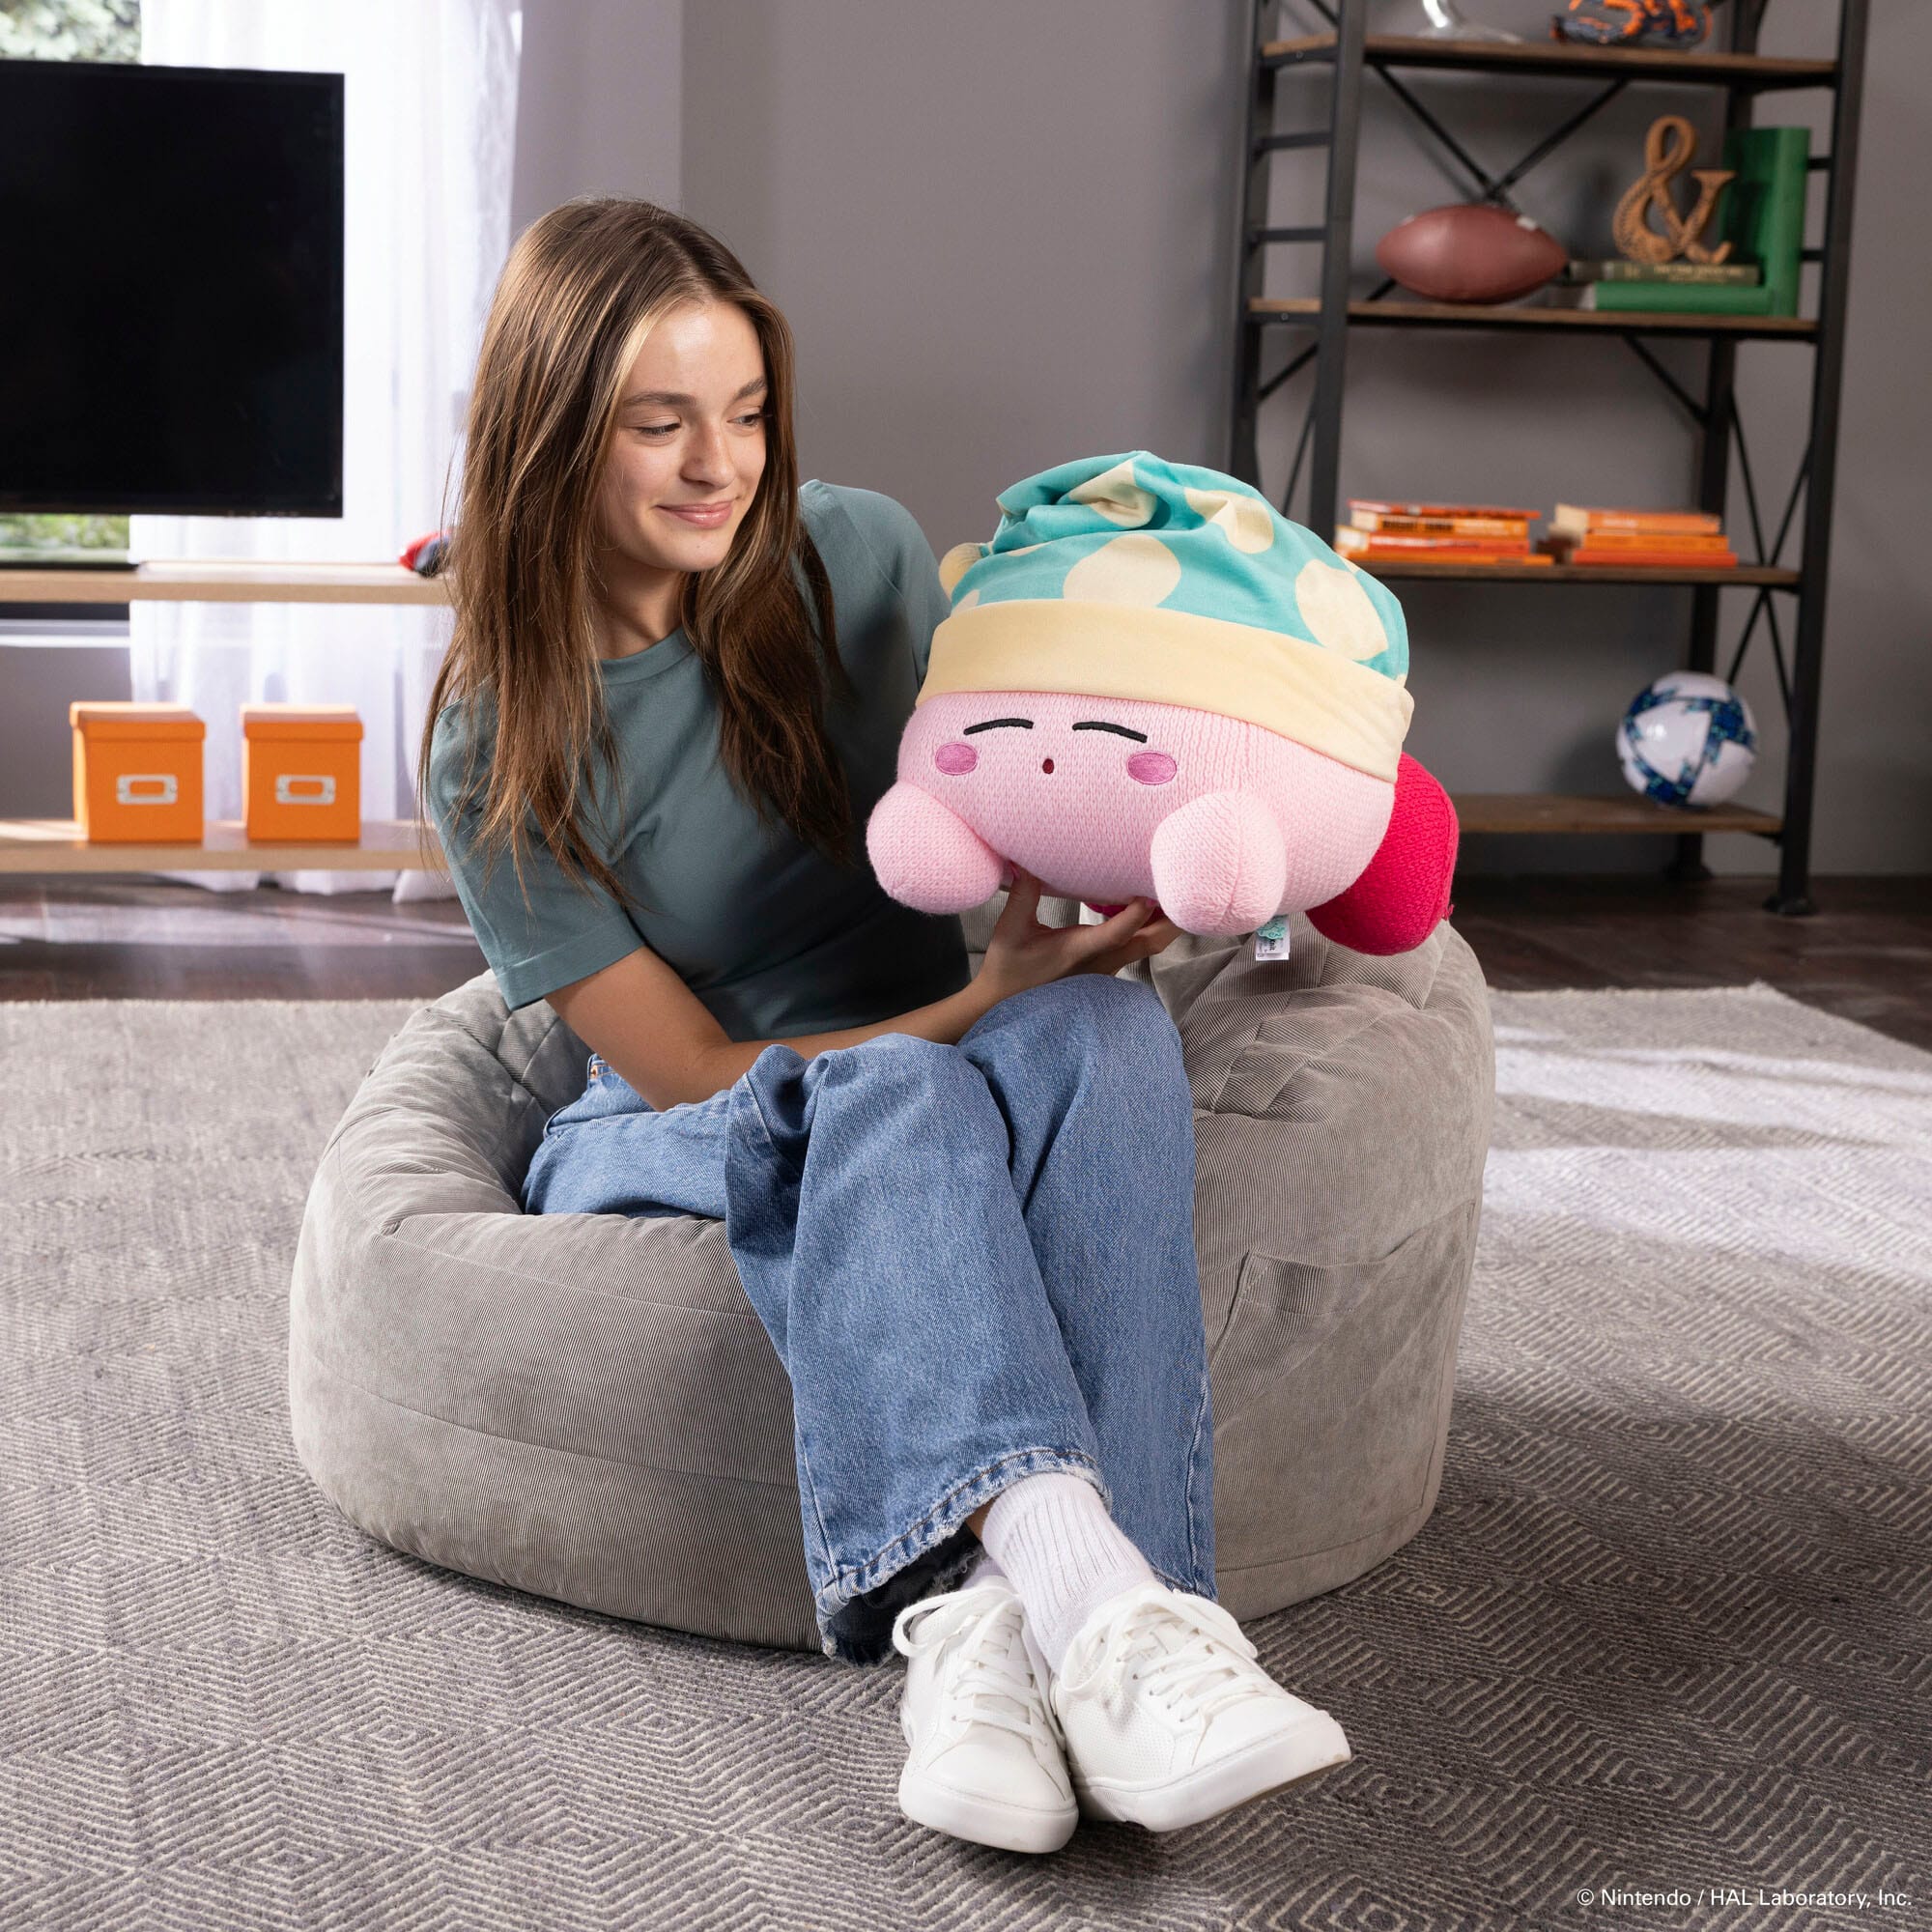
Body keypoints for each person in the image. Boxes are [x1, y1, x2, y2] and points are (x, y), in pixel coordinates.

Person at [418, 196, 1350, 1856]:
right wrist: (981, 998)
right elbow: (691, 1069)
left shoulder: (851, 556)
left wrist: (1140, 869)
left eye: (747, 411)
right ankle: (1110, 1609)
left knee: (1107, 1039)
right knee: (902, 1088)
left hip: (940, 1050)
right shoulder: (499, 736)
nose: (722, 464)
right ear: (554, 433)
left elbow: (1012, 775)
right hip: (683, 1118)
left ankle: (999, 1631)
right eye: (659, 423)